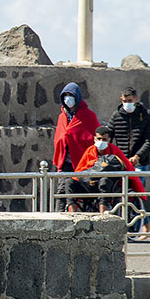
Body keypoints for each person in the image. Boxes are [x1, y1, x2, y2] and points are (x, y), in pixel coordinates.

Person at [58, 126, 146, 219]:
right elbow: (80, 170)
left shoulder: (114, 150)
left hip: (108, 184)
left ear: (109, 139)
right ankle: (73, 216)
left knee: (104, 181)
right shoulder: (90, 151)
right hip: (89, 183)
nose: (101, 141)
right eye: (99, 138)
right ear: (94, 138)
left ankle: (103, 217)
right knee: (69, 182)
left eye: (104, 139)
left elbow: (127, 167)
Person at [108, 86, 150, 231]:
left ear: (136, 99)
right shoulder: (117, 115)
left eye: (129, 100)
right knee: (124, 193)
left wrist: (138, 157)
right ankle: (145, 223)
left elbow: (149, 140)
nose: (126, 103)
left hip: (139, 163)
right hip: (121, 162)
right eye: (124, 100)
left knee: (135, 192)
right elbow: (109, 134)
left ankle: (136, 225)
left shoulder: (146, 115)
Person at [53, 82, 100, 210]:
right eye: (65, 95)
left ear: (77, 97)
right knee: (61, 192)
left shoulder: (88, 116)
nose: (68, 98)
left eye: (71, 95)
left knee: (76, 194)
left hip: (82, 163)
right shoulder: (62, 117)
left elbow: (93, 138)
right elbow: (59, 137)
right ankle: (60, 220)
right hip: (65, 163)